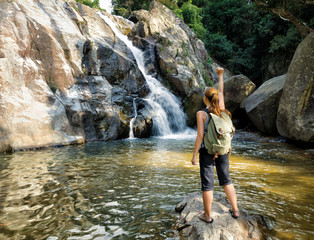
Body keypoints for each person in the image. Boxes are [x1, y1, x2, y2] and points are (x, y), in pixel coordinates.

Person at [191, 67, 239, 223]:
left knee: (207, 185)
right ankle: (236, 210)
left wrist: (193, 156)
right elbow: (221, 90)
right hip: (224, 151)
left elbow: (199, 136)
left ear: (205, 99)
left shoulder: (201, 114)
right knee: (227, 181)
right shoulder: (222, 109)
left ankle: (207, 216)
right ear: (217, 98)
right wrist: (221, 75)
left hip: (207, 152)